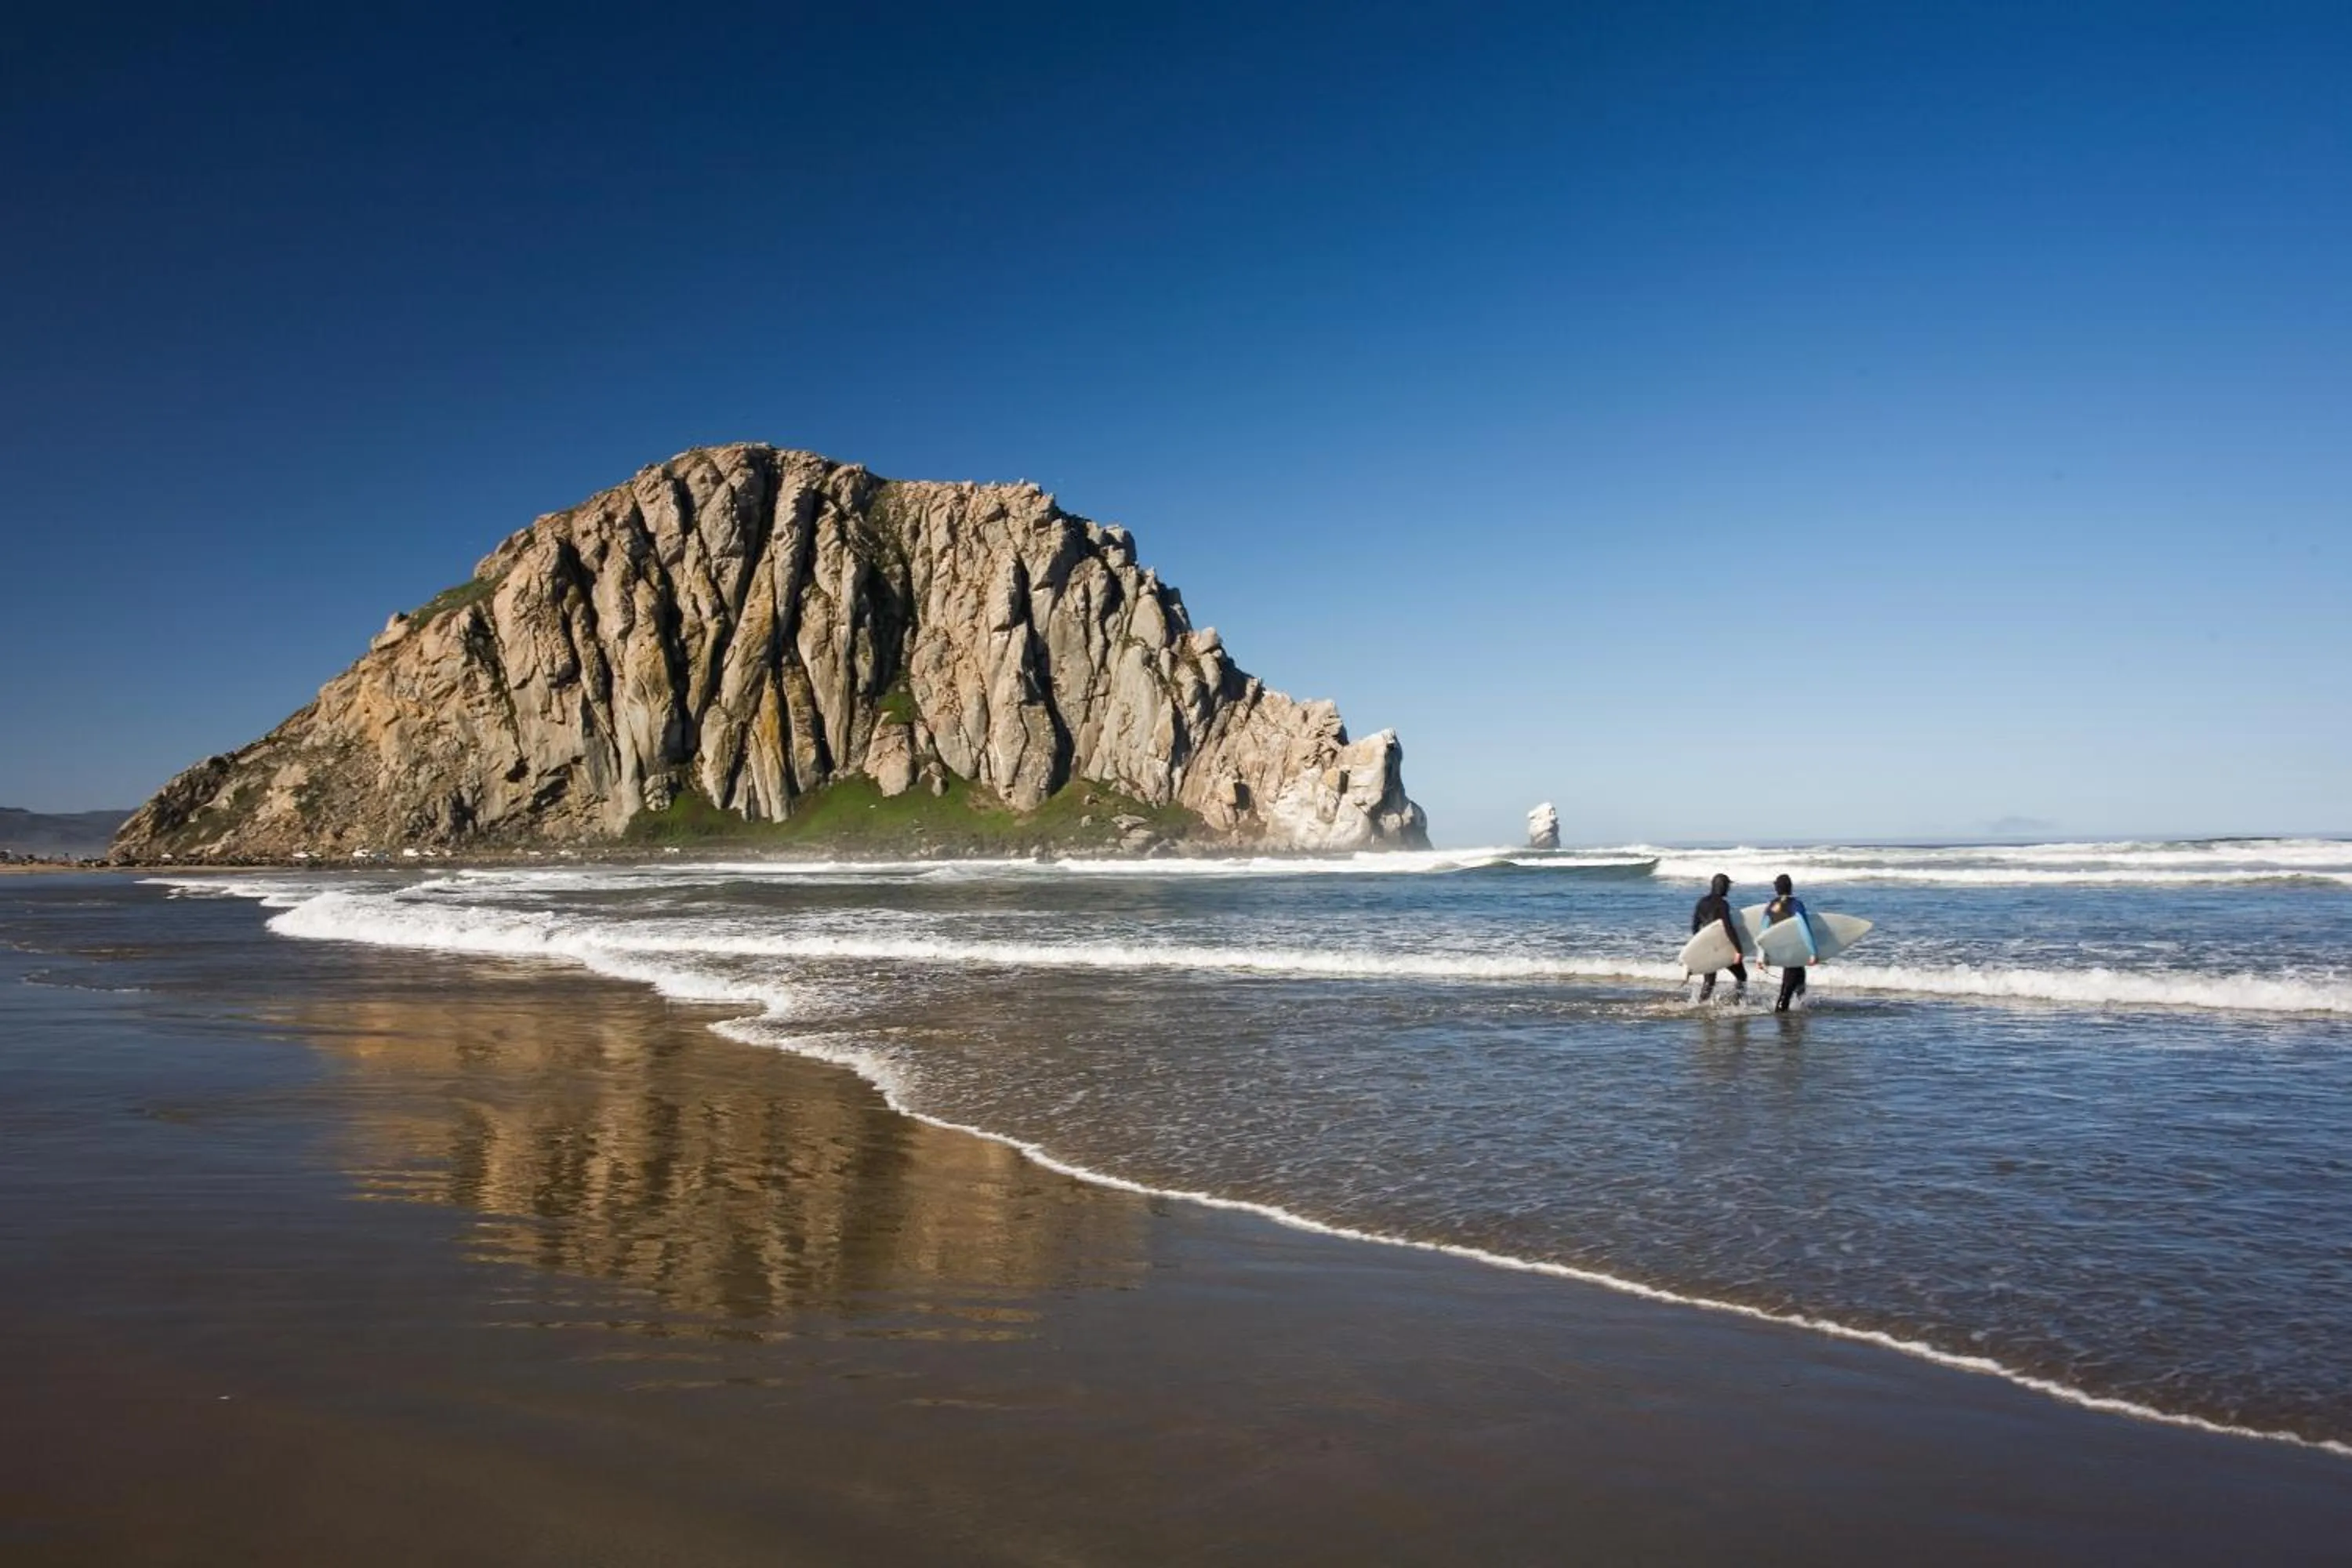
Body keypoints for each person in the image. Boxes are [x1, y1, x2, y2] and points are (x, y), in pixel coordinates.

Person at [1762, 873, 1816, 1012]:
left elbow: (1763, 932)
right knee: (1785, 993)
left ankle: (1801, 1014)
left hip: (1780, 950)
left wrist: (1762, 955)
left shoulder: (1772, 905)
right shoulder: (1795, 904)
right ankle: (1782, 1022)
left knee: (1800, 980)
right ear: (1791, 887)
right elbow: (1804, 927)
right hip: (1793, 950)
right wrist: (1812, 952)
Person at [1690, 872, 1746, 1003]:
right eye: (1728, 886)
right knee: (1742, 976)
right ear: (1724, 887)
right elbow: (1728, 928)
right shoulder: (1722, 904)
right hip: (1722, 946)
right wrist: (1738, 950)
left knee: (1709, 981)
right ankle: (1738, 1002)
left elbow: (1694, 927)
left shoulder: (1701, 902)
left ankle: (1701, 1005)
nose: (1729, 889)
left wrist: (1699, 946)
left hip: (1707, 946)